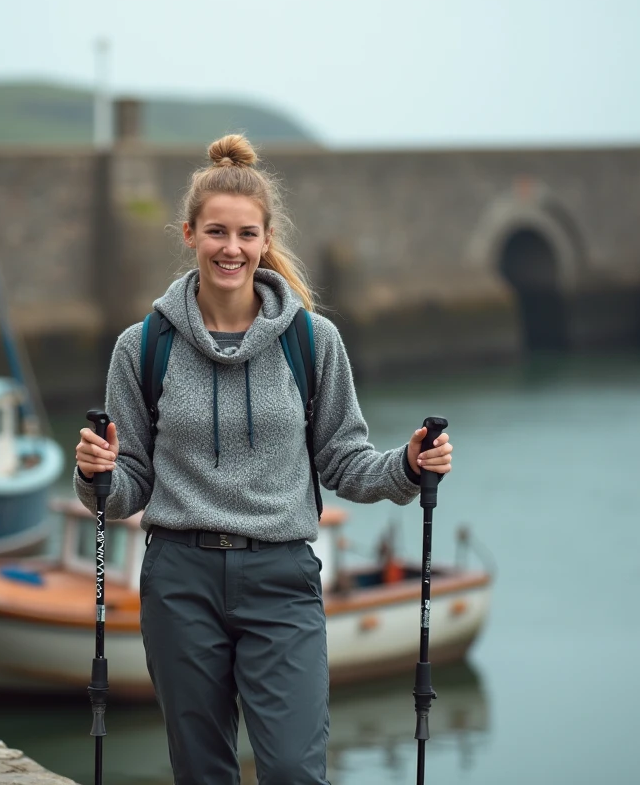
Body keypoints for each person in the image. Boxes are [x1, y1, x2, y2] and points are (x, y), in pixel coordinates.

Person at [74, 134, 453, 785]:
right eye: (216, 232)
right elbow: (126, 489)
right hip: (178, 578)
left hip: (282, 579)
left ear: (266, 238)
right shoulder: (142, 346)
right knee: (202, 772)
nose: (231, 248)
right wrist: (94, 474)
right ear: (189, 233)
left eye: (246, 234)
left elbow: (343, 459)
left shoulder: (313, 340)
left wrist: (408, 466)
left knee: (294, 771)